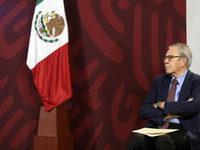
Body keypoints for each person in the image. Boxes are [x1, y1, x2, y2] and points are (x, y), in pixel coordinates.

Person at [127, 43, 200, 150]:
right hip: (159, 126)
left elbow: (192, 107)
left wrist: (162, 104)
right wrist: (171, 115)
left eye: (170, 58)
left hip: (183, 129)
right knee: (137, 140)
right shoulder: (160, 80)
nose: (165, 61)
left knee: (164, 140)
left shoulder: (196, 81)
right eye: (165, 58)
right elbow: (144, 110)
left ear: (183, 61)